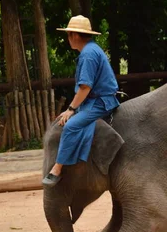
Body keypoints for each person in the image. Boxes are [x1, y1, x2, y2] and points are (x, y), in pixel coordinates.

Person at [42, 15, 120, 186]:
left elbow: (85, 87)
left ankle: (57, 168)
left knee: (71, 125)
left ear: (75, 35)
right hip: (94, 100)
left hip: (101, 102)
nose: (68, 38)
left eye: (69, 34)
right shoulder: (90, 50)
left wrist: (71, 109)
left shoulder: (88, 55)